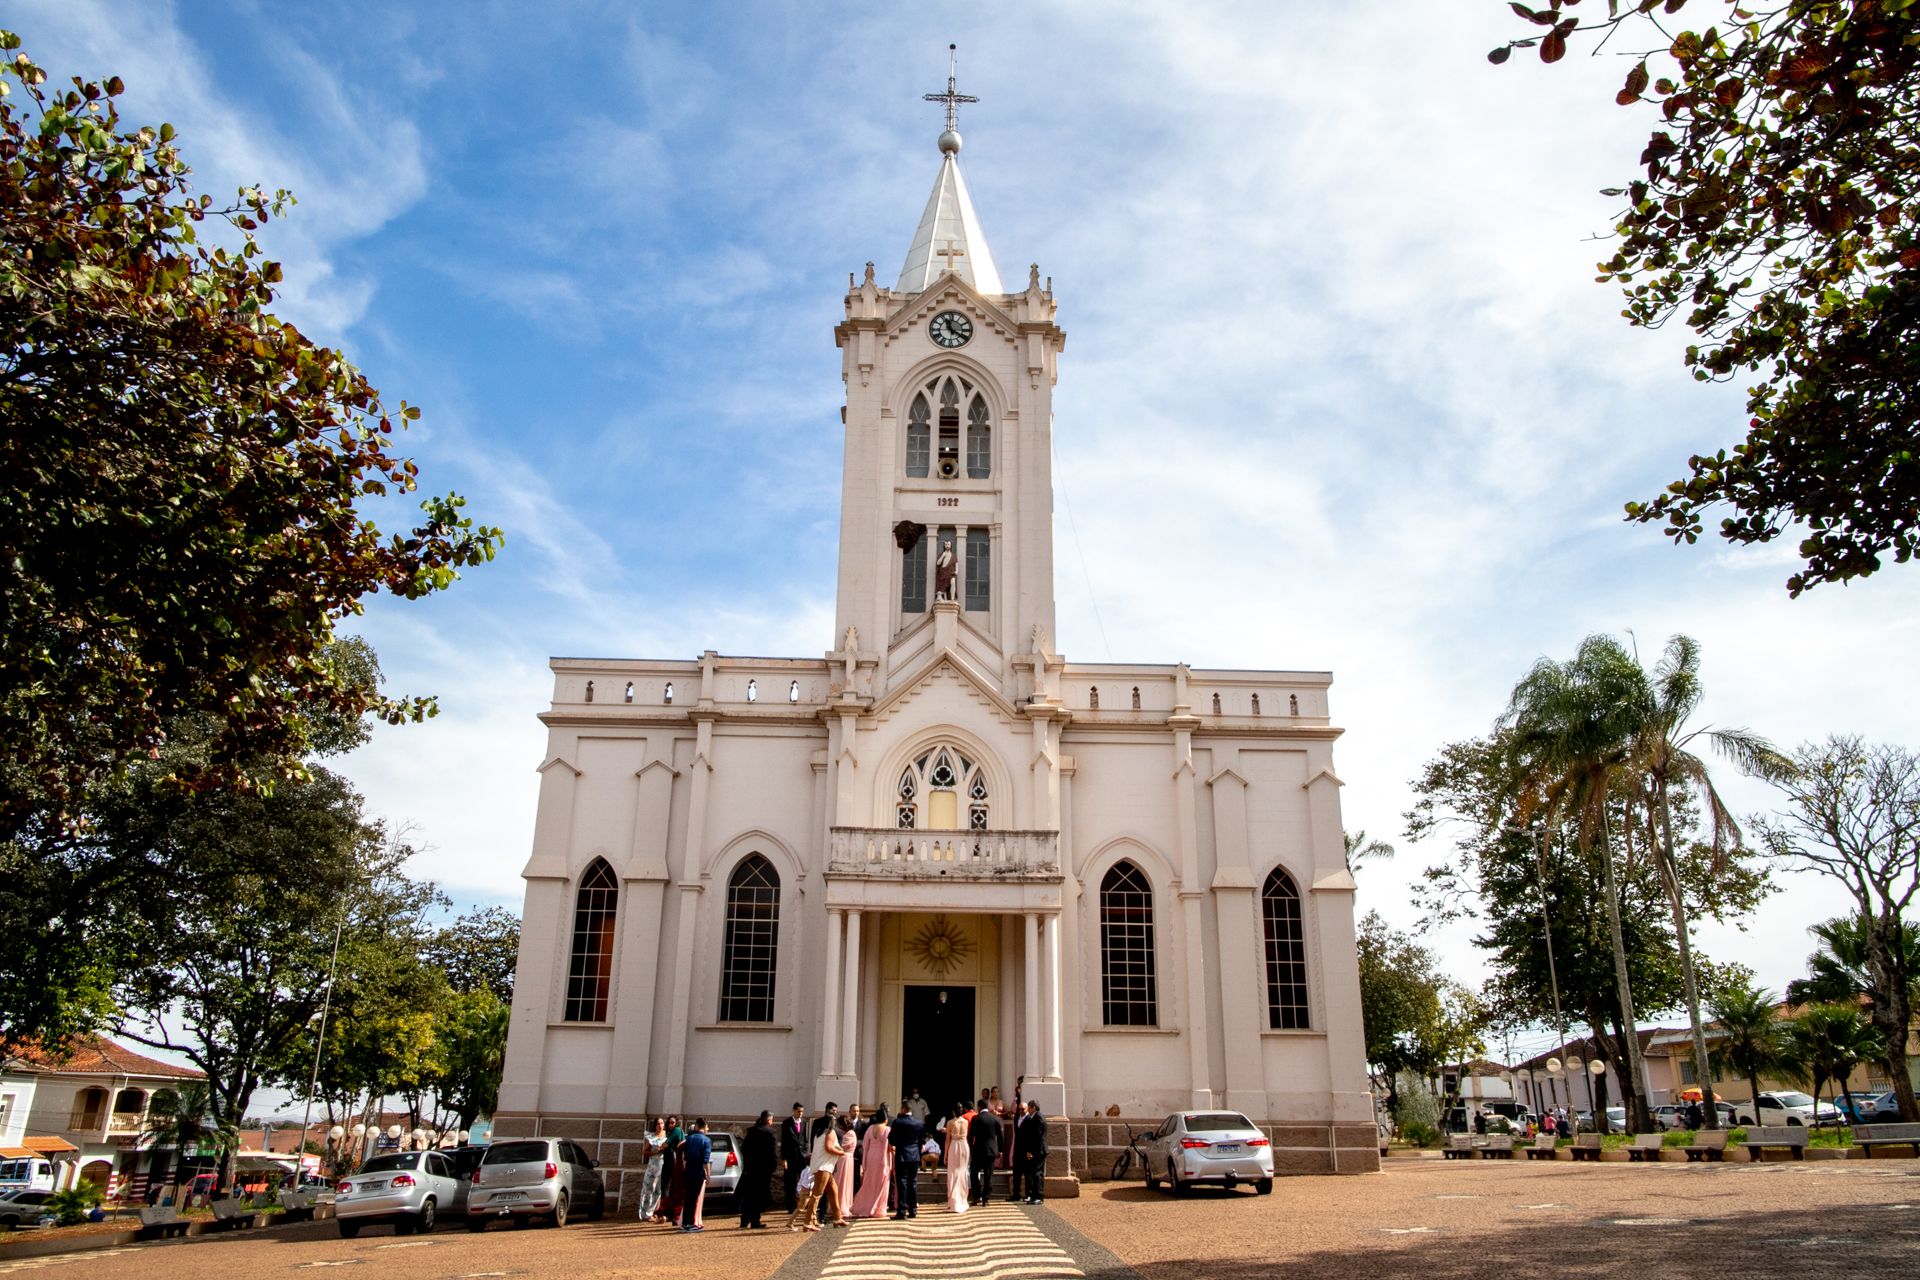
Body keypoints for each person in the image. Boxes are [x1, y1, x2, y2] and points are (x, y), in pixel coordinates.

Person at [787, 1106, 848, 1232]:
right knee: (816, 1195)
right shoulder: (830, 1132)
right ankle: (808, 1222)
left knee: (833, 1191)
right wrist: (841, 1153)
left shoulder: (819, 1134)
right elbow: (829, 1148)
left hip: (823, 1166)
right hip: (823, 1167)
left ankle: (837, 1217)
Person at [849, 1105, 894, 1219]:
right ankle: (878, 1208)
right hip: (881, 1157)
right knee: (881, 1183)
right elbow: (888, 1146)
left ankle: (865, 1206)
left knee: (869, 1182)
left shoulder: (870, 1128)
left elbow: (865, 1145)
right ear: (886, 1119)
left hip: (871, 1156)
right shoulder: (887, 1129)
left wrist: (864, 1161)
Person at [738, 1111, 776, 1229]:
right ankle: (755, 1220)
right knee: (759, 1196)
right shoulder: (770, 1132)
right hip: (763, 1169)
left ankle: (744, 1220)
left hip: (751, 1168)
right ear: (769, 1120)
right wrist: (772, 1166)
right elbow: (773, 1152)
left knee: (748, 1195)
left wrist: (748, 1163)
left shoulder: (751, 1131)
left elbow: (744, 1149)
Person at [887, 1101, 924, 1220]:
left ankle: (902, 1210)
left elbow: (892, 1139)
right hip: (914, 1155)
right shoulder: (919, 1122)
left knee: (901, 1182)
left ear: (903, 1109)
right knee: (912, 1182)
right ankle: (913, 1210)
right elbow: (921, 1140)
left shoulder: (898, 1122)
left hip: (902, 1154)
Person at [679, 1119, 712, 1232]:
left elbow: (684, 1157)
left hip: (688, 1171)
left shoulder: (689, 1139)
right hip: (698, 1172)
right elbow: (706, 1160)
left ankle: (685, 1223)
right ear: (704, 1127)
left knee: (688, 1198)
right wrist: (708, 1175)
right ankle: (692, 1223)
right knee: (694, 1199)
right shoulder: (706, 1140)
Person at [967, 1100, 1001, 1206]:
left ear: (979, 1107)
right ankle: (986, 1198)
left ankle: (976, 1196)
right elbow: (1000, 1136)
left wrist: (971, 1148)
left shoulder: (975, 1118)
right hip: (991, 1151)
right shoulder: (995, 1119)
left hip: (978, 1150)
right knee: (988, 1175)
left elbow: (970, 1136)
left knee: (973, 1173)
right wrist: (1000, 1150)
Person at [635, 1117, 669, 1221]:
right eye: (658, 1123)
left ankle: (654, 1211)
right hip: (652, 1166)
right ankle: (645, 1213)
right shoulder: (651, 1137)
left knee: (658, 1190)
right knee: (649, 1189)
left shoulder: (667, 1135)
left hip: (663, 1165)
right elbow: (644, 1152)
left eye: (662, 1123)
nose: (660, 1125)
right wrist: (655, 1152)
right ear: (655, 1125)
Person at [1015, 1101, 1047, 1204]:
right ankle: (1035, 1196)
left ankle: (1039, 1197)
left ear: (1033, 1107)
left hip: (1039, 1150)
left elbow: (1036, 1137)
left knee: (1037, 1174)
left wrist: (1030, 1151)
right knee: (1035, 1173)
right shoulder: (1036, 1116)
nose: (1028, 1110)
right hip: (1038, 1149)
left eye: (1028, 1107)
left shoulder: (1037, 1118)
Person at [944, 1104, 972, 1213]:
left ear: (953, 1112)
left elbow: (947, 1140)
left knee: (953, 1172)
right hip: (964, 1145)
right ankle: (962, 1199)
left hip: (954, 1146)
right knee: (962, 1172)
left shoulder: (950, 1122)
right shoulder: (966, 1122)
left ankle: (954, 1200)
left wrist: (945, 1154)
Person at [658, 1116, 686, 1223]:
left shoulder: (676, 1131)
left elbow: (666, 1144)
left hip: (674, 1163)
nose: (671, 1125)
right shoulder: (671, 1132)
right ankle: (671, 1213)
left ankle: (667, 1213)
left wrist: (657, 1147)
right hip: (672, 1162)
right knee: (670, 1188)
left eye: (673, 1122)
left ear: (676, 1123)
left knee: (668, 1187)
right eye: (669, 1123)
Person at [781, 1103, 808, 1212]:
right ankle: (790, 1206)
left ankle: (802, 1204)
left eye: (802, 1112)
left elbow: (804, 1138)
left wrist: (805, 1152)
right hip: (790, 1157)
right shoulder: (786, 1123)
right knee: (790, 1182)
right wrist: (784, 1159)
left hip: (801, 1157)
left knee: (803, 1180)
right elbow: (784, 1142)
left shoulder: (804, 1122)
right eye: (798, 1111)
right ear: (794, 1111)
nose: (800, 1114)